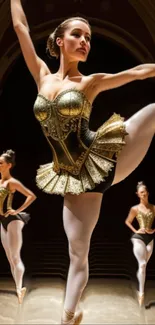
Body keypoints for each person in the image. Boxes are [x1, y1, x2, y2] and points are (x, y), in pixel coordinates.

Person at [10, 0, 155, 322]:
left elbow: (136, 73)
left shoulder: (90, 82)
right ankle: (70, 314)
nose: (85, 42)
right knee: (77, 254)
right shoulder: (42, 76)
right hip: (71, 176)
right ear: (60, 41)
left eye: (88, 37)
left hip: (99, 158)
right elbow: (21, 28)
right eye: (78, 35)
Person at [0, 149, 36, 304]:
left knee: (15, 256)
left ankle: (19, 288)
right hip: (2, 220)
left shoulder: (12, 182)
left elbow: (31, 196)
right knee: (10, 258)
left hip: (13, 219)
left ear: (8, 165)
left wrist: (17, 210)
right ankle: (18, 287)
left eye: (0, 163)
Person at [125, 181, 155, 307]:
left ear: (147, 192)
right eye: (140, 192)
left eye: (144, 192)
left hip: (150, 238)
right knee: (142, 264)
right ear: (137, 194)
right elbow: (127, 221)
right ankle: (141, 293)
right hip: (138, 237)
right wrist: (136, 230)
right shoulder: (135, 208)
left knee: (144, 266)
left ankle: (140, 290)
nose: (143, 194)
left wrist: (154, 230)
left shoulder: (153, 207)